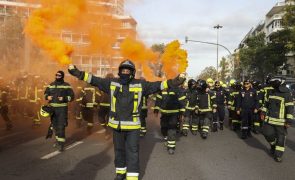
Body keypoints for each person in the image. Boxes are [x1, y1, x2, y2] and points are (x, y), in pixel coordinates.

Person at [68, 60, 186, 180]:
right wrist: (76, 72)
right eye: (123, 70)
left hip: (133, 127)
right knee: (119, 151)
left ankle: (132, 177)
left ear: (132, 72)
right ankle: (120, 172)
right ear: (120, 72)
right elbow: (94, 79)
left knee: (133, 152)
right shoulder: (111, 83)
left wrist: (176, 81)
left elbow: (159, 85)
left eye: (127, 70)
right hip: (117, 126)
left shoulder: (141, 85)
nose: (125, 72)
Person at [262, 77, 294, 162]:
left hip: (281, 122)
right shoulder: (271, 92)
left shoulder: (287, 93)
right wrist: (263, 112)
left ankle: (278, 155)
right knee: (267, 134)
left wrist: (289, 121)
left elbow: (290, 108)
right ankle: (273, 146)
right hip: (269, 120)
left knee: (280, 139)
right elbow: (266, 104)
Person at [44, 71, 74, 151]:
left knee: (61, 126)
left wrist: (64, 98)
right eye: (56, 75)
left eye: (59, 75)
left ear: (62, 76)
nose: (57, 76)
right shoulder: (51, 85)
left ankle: (61, 144)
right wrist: (47, 97)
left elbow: (72, 96)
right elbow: (45, 93)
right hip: (52, 109)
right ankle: (58, 140)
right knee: (55, 126)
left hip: (62, 109)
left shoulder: (67, 86)